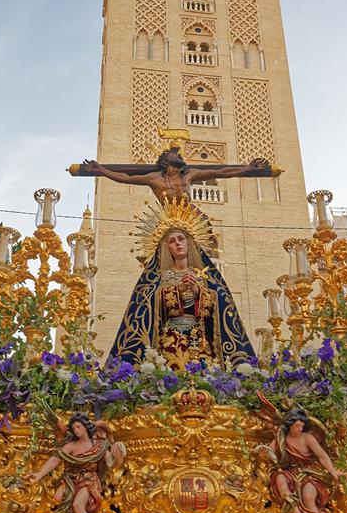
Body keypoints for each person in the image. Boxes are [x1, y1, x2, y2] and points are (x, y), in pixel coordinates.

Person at [107, 218, 255, 369]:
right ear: (167, 248)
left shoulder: (204, 277)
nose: (177, 243)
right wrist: (179, 290)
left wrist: (199, 292)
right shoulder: (161, 278)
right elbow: (146, 305)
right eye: (172, 241)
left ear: (189, 243)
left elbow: (221, 305)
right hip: (169, 343)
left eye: (181, 239)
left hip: (200, 342)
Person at [26, 413, 126, 513]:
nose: (77, 431)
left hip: (89, 479)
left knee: (77, 505)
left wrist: (118, 458)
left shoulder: (99, 445)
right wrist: (39, 474)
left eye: (79, 427)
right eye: (74, 429)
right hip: (72, 478)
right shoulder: (71, 446)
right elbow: (55, 460)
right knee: (58, 497)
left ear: (86, 427)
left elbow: (112, 464)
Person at [257, 409, 345, 513]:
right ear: (290, 425)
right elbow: (268, 453)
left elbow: (322, 456)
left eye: (302, 425)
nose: (300, 428)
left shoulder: (307, 438)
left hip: (309, 473)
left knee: (308, 496)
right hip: (290, 472)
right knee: (279, 479)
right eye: (298, 425)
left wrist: (333, 472)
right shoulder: (281, 438)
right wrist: (263, 453)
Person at [83, 147, 270, 205]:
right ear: (166, 161)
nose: (180, 156)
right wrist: (100, 169)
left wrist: (247, 168)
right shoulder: (154, 178)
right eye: (175, 155)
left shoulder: (189, 175)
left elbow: (221, 172)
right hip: (168, 222)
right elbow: (124, 177)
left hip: (191, 218)